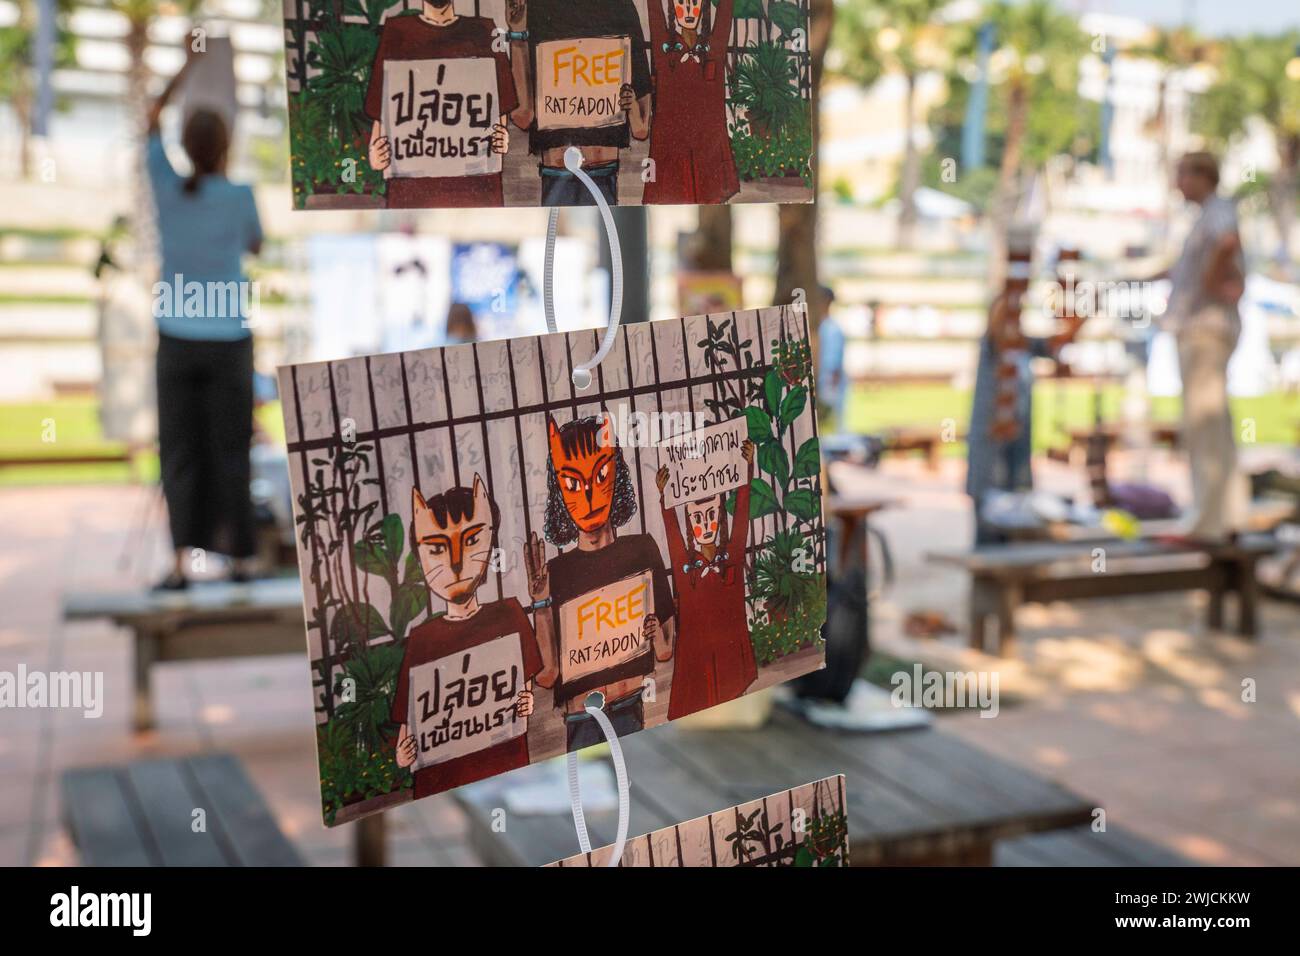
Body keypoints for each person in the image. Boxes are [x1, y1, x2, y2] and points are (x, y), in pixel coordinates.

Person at [146, 49, 263, 590]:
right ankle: (238, 559)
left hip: (176, 341)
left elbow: (148, 119)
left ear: (187, 148)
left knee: (180, 451)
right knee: (230, 449)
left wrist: (183, 70)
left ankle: (178, 565)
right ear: (226, 149)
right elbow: (256, 245)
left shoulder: (169, 191)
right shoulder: (239, 196)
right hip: (229, 342)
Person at [524, 413, 676, 750]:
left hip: (630, 705)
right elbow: (547, 675)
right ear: (559, 491)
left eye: (601, 475)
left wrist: (656, 639)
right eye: (574, 484)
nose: (590, 496)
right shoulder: (556, 573)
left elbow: (665, 651)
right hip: (580, 719)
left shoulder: (642, 551)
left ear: (616, 475)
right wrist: (541, 604)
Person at [392, 476, 543, 796]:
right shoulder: (422, 640)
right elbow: (409, 728)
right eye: (437, 548)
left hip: (507, 773)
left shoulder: (510, 616)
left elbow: (524, 703)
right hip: (442, 785)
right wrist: (403, 754)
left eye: (471, 541)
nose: (456, 562)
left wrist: (527, 704)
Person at [1148, 152, 1247, 540]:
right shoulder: (1207, 215)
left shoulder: (1217, 210)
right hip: (1203, 327)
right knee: (1214, 424)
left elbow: (1227, 243)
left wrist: (1210, 281)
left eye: (1182, 174)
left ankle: (1208, 521)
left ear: (1201, 176)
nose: (1178, 183)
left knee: (1203, 422)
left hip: (1205, 330)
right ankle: (1227, 515)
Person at [364, 0, 517, 207]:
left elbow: (500, 108)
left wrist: (502, 140)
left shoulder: (484, 31)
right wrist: (375, 154)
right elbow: (381, 111)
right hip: (413, 194)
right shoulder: (397, 32)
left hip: (477, 191)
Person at [657, 439, 757, 720]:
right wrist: (665, 500)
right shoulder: (686, 568)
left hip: (730, 662)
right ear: (689, 524)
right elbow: (672, 535)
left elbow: (741, 518)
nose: (705, 525)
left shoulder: (732, 556)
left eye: (712, 515)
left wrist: (746, 472)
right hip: (699, 664)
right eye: (697, 518)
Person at [516, 0, 652, 205]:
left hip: (602, 170)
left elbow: (641, 128)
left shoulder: (621, 7)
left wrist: (630, 103)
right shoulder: (537, 7)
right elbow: (523, 116)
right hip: (556, 171)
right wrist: (517, 33)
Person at [642, 0, 738, 204]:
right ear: (672, 8)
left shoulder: (714, 47)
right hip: (672, 141)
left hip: (707, 142)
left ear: (702, 7)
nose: (687, 12)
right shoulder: (664, 48)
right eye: (681, 5)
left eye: (693, 5)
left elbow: (724, 13)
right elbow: (654, 12)